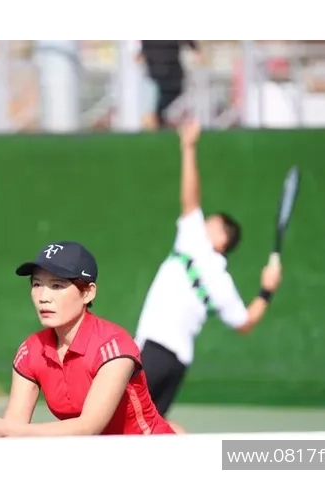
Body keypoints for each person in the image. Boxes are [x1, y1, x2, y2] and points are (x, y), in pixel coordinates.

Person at [134, 119, 283, 418]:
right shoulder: (223, 284)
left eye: (209, 223)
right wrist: (267, 290)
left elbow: (190, 200)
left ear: (221, 239)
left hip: (155, 350)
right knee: (149, 430)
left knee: (115, 423)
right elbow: (245, 323)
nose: (201, 223)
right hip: (177, 364)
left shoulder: (195, 244)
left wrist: (188, 147)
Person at [0, 241, 179, 438]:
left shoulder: (114, 347)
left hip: (153, 454)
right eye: (37, 284)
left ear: (88, 293)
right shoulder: (30, 352)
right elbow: (13, 429)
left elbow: (88, 427)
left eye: (57, 286)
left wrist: (5, 429)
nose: (43, 297)